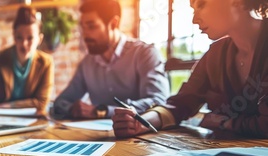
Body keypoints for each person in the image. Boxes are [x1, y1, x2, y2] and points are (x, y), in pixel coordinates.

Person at [112, 0, 268, 138]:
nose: (194, 19)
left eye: (201, 4)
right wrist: (141, 123)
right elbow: (181, 104)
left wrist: (225, 123)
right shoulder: (216, 54)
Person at [54, 0, 169, 119]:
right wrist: (72, 109)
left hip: (141, 134)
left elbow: (159, 102)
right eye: (83, 27)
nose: (85, 35)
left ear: (114, 23)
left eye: (91, 26)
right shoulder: (87, 63)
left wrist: (103, 111)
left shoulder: (144, 54)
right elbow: (60, 103)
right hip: (98, 135)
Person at [0, 6, 54, 115]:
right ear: (14, 36)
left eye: (30, 38)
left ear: (39, 39)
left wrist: (6, 106)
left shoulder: (46, 63)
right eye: (19, 37)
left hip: (30, 121)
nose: (24, 44)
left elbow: (41, 102)